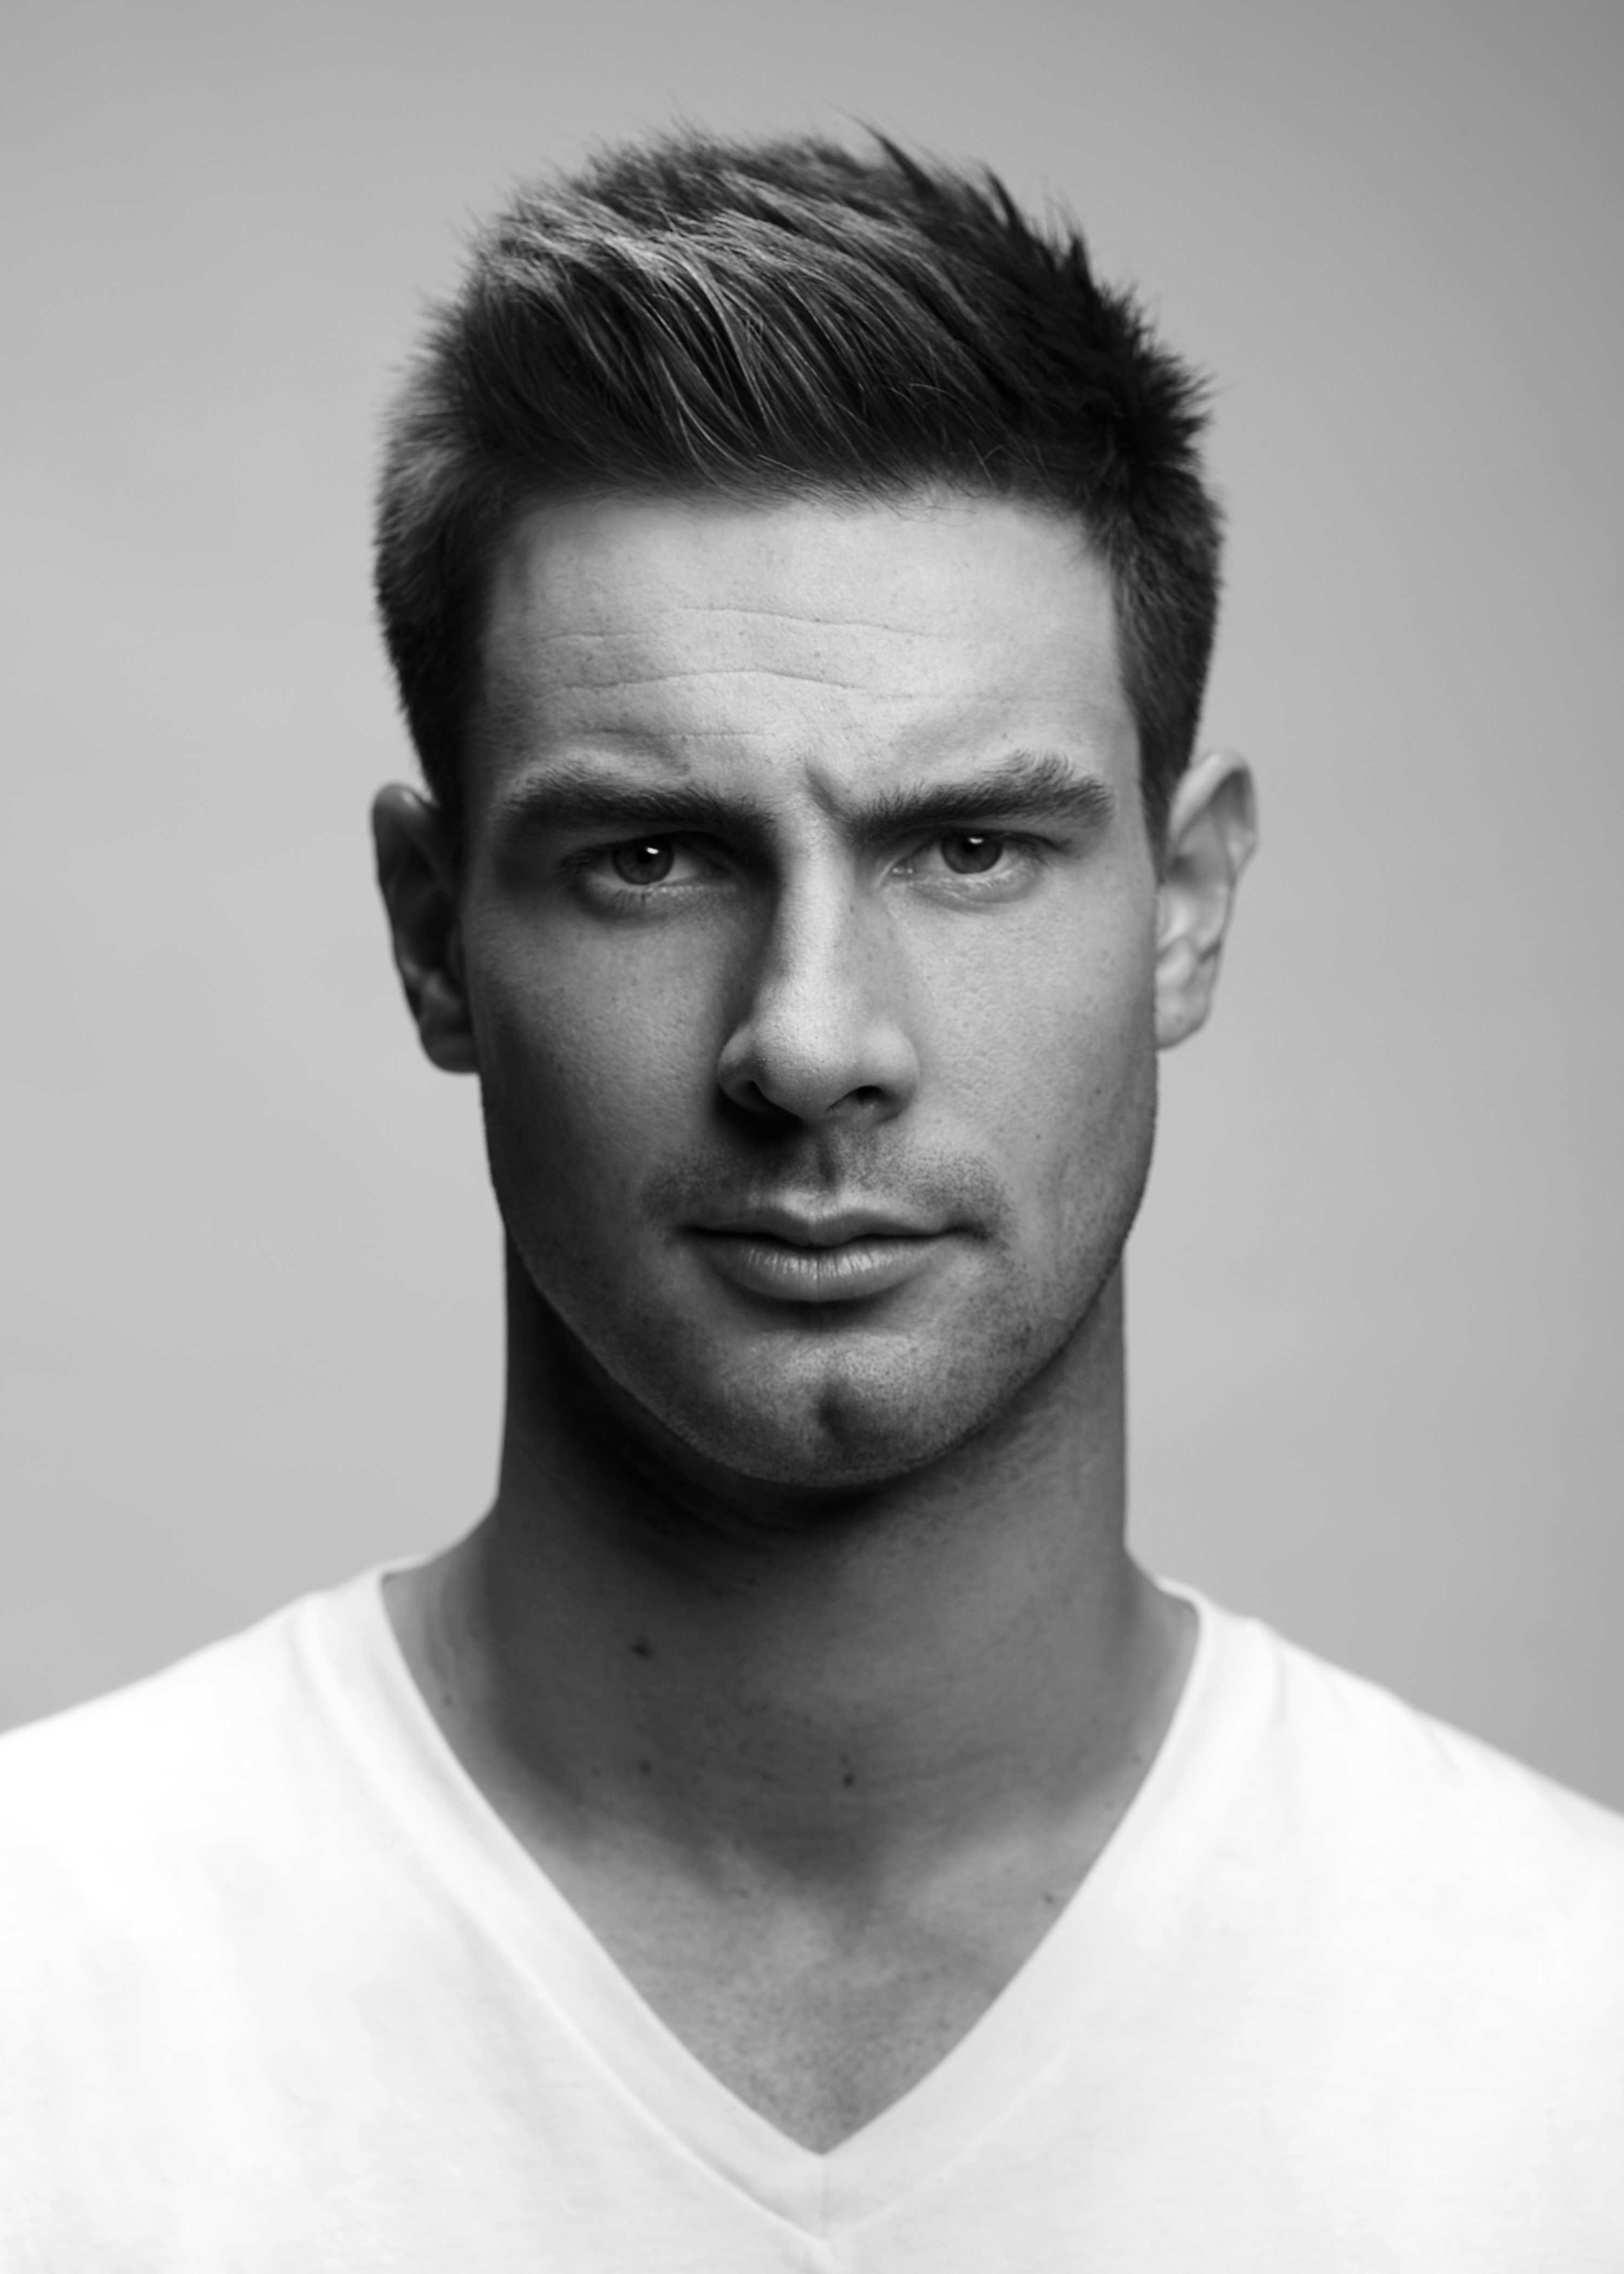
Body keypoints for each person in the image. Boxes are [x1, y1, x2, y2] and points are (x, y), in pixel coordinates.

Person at [3, 127, 1621, 2271]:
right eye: (652, 858)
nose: (810, 1039)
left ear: (1188, 905)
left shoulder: (1571, 2043)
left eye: (971, 848)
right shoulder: (45, 1992)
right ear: (430, 935)